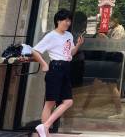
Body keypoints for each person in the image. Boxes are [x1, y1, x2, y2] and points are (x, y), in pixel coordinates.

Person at [30, 9, 84, 137]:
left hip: (66, 68)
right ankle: (45, 133)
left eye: (69, 21)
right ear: (58, 21)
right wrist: (44, 64)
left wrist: (78, 45)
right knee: (50, 102)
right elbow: (35, 51)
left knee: (68, 101)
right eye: (66, 20)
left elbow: (70, 53)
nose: (68, 23)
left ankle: (45, 127)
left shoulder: (69, 35)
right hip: (55, 68)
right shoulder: (51, 36)